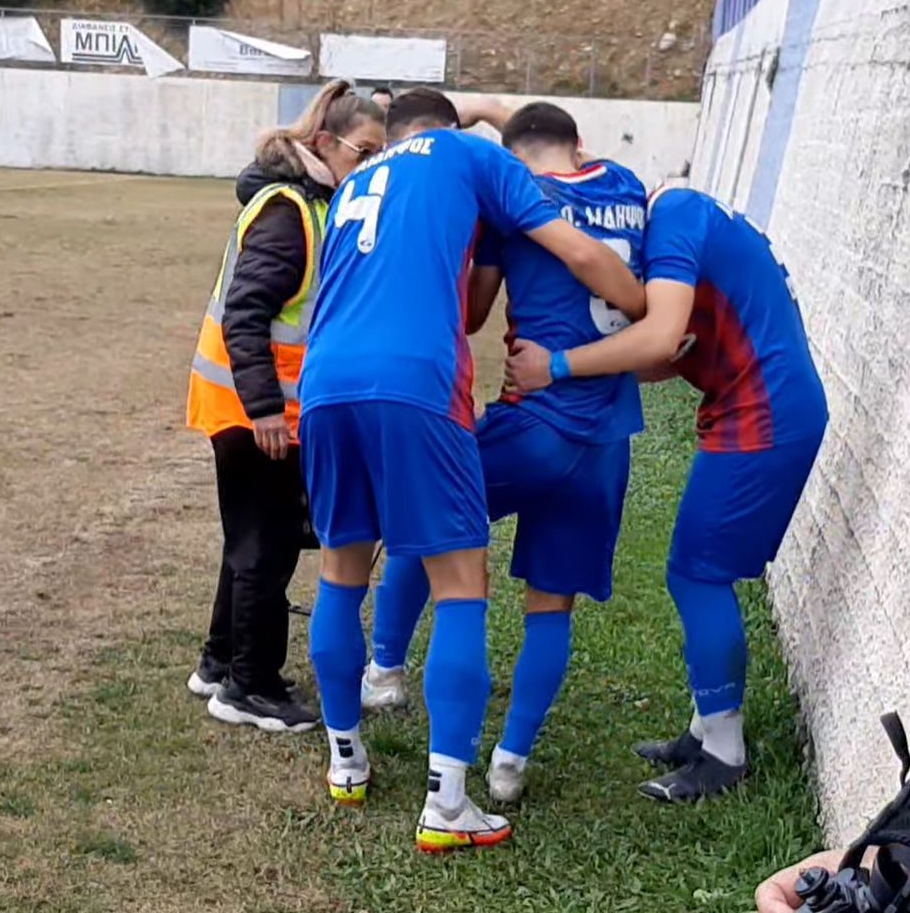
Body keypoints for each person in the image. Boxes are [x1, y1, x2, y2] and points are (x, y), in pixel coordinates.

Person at [301, 88, 645, 851]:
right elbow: (579, 253)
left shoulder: (356, 181)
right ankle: (448, 802)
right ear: (451, 130)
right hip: (419, 382)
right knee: (462, 580)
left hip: (325, 383)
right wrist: (644, 307)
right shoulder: (473, 156)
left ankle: (346, 760)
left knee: (340, 569)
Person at [506, 184, 829, 801]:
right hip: (760, 403)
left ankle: (725, 752)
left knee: (697, 574)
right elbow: (663, 354)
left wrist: (558, 365)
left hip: (763, 412)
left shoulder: (674, 213)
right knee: (695, 570)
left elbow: (656, 347)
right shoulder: (693, 214)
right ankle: (703, 730)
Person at [185, 80, 386, 734]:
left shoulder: (316, 202)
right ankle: (252, 687)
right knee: (264, 548)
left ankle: (220, 663)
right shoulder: (288, 212)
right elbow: (247, 313)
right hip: (255, 412)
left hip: (258, 406)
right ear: (325, 143)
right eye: (367, 152)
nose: (374, 167)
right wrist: (268, 409)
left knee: (248, 541)